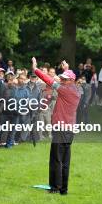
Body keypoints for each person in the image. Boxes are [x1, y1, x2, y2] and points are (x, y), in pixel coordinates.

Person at [32, 57, 80, 195]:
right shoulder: (76, 90)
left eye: (65, 79)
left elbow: (49, 80)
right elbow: (68, 78)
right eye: (62, 79)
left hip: (60, 128)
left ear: (70, 81)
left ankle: (55, 187)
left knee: (56, 159)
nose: (62, 80)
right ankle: (63, 189)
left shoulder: (65, 90)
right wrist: (66, 69)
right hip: (69, 129)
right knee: (65, 160)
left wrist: (35, 68)